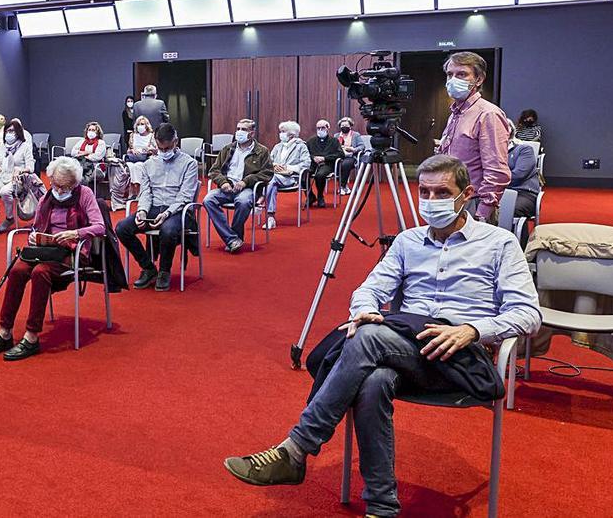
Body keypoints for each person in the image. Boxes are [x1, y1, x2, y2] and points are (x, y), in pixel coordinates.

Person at [223, 155, 540, 518]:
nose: (431, 201)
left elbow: (529, 314)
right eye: (424, 191)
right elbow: (368, 289)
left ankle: (297, 450)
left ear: (466, 194)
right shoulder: (408, 242)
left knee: (369, 338)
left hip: (461, 359)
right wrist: (364, 309)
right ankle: (382, 507)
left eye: (442, 192)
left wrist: (471, 330)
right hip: (408, 349)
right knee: (372, 378)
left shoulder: (498, 243)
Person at [0, 156, 106, 361]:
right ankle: (5, 332)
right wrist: (33, 235)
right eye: (55, 184)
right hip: (46, 249)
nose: (58, 190)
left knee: (41, 272)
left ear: (75, 183)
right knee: (17, 271)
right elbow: (36, 226)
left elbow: (100, 226)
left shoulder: (85, 194)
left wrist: (75, 233)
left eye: (64, 187)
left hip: (72, 252)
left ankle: (31, 336)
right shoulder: (48, 196)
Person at [116, 123, 199, 290]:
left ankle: (164, 271)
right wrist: (141, 211)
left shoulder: (190, 164)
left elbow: (185, 197)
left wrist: (167, 213)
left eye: (167, 148)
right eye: (161, 149)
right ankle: (148, 267)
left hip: (178, 210)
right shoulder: (149, 164)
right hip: (153, 208)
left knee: (167, 230)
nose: (164, 152)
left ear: (176, 142)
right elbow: (145, 193)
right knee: (122, 228)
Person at [437, 51, 510, 223]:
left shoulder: (488, 114)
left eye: (461, 74)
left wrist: (482, 212)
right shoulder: (456, 113)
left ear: (479, 79)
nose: (453, 80)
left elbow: (497, 171)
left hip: (473, 202)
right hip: (448, 198)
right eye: (450, 74)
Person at [203, 119, 271, 253]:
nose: (239, 132)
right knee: (208, 200)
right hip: (228, 186)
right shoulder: (228, 149)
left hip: (248, 188)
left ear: (252, 133)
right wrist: (223, 182)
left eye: (244, 130)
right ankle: (232, 238)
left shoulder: (262, 151)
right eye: (238, 129)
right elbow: (213, 170)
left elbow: (267, 173)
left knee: (243, 201)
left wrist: (246, 181)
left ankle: (233, 238)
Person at [0, 119, 34, 238]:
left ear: (18, 132)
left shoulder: (24, 147)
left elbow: (30, 167)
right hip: (1, 177)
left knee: (5, 191)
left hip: (17, 179)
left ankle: (9, 218)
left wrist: (21, 170)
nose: (9, 134)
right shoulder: (1, 147)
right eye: (7, 131)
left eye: (12, 131)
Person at [261, 121, 310, 231]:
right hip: (275, 177)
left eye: (283, 132)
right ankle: (270, 217)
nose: (280, 134)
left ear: (291, 134)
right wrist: (274, 165)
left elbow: (306, 164)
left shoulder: (301, 146)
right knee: (271, 183)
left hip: (291, 178)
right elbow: (269, 160)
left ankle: (259, 199)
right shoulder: (278, 146)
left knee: (270, 180)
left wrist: (287, 168)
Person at [505, 120, 540, 246]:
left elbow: (518, 175)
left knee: (507, 209)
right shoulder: (490, 151)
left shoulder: (524, 149)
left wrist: (494, 179)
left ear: (511, 132)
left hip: (523, 192)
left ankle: (519, 248)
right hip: (499, 191)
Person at [306, 120, 344, 208]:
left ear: (327, 128)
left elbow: (341, 154)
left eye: (322, 128)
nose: (320, 130)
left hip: (327, 164)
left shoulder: (334, 141)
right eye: (318, 128)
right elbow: (306, 153)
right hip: (313, 164)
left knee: (320, 175)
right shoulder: (311, 141)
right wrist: (313, 158)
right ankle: (310, 196)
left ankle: (320, 196)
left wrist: (324, 158)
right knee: (303, 174)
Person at [334, 117, 365, 196]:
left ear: (350, 126)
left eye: (346, 125)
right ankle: (344, 187)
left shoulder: (355, 135)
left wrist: (353, 149)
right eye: (342, 125)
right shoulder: (336, 135)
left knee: (345, 165)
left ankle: (342, 186)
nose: (344, 127)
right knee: (337, 164)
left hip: (351, 156)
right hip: (339, 156)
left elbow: (362, 146)